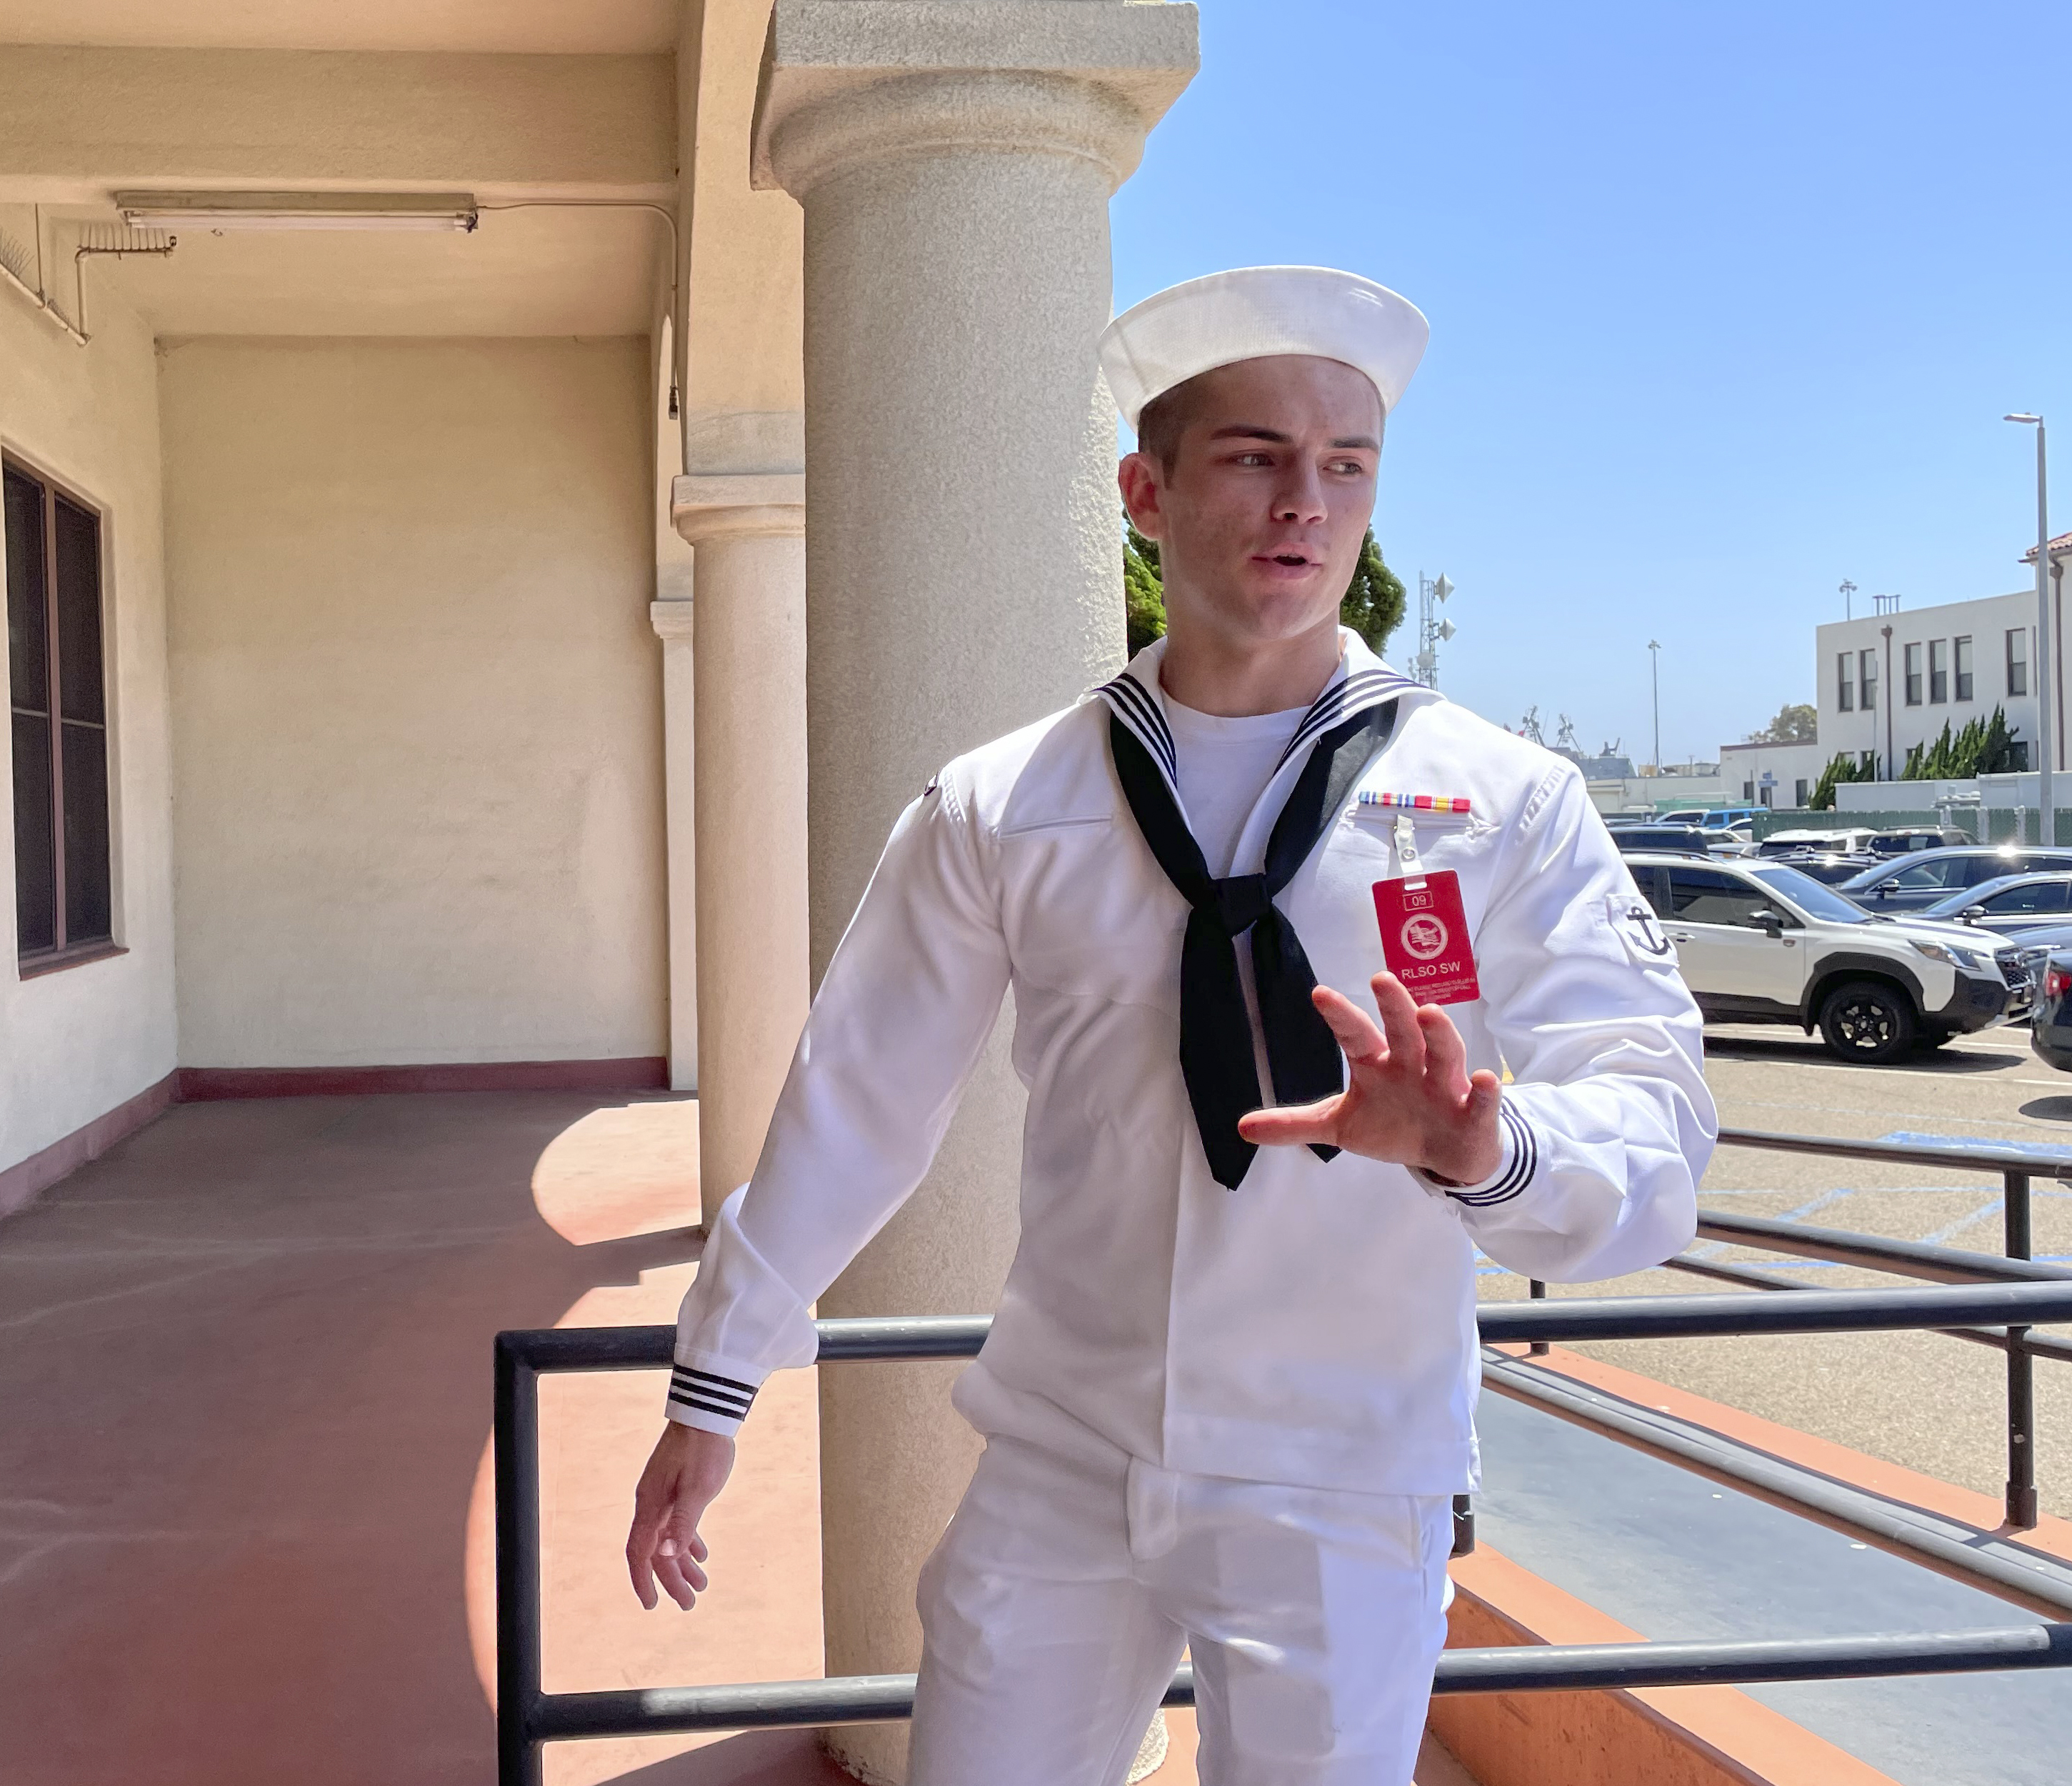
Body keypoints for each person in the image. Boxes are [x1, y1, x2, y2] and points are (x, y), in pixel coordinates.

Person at [623, 266, 1715, 1785]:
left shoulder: (1502, 803)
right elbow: (857, 1098)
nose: (1304, 505)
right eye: (1255, 455)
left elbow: (1658, 1119)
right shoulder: (1008, 805)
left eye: (1345, 468)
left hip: (1343, 1471)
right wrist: (719, 1368)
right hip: (1064, 1452)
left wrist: (1494, 1148)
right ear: (1145, 489)